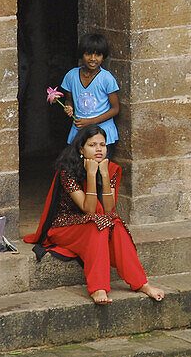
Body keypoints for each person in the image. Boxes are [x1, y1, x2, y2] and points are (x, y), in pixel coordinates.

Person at [24, 125, 165, 304]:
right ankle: (98, 287)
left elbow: (108, 210)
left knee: (115, 223)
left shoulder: (110, 168)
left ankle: (141, 283)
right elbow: (89, 209)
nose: (99, 149)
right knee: (98, 223)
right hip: (65, 226)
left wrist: (104, 175)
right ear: (81, 149)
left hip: (94, 222)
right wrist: (91, 174)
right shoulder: (68, 172)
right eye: (92, 145)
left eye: (102, 145)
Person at [60, 33, 120, 154]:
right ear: (82, 55)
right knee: (78, 169)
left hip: (102, 134)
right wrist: (69, 107)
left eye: (98, 54)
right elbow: (69, 99)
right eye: (88, 54)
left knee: (100, 169)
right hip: (79, 133)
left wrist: (91, 122)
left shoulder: (106, 78)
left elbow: (115, 109)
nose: (93, 58)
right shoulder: (71, 76)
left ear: (103, 56)